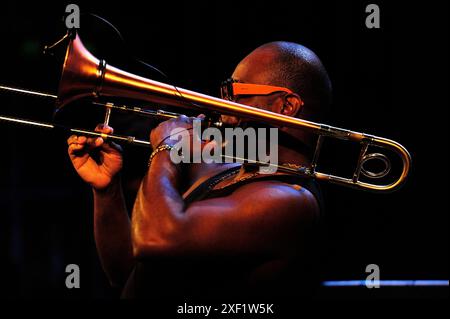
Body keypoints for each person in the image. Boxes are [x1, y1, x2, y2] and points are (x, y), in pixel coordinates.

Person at [67, 41, 332, 299]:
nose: (223, 108)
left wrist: (166, 149)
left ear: (286, 107)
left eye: (236, 92)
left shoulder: (289, 201)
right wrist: (107, 191)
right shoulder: (223, 170)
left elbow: (155, 240)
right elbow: (127, 273)